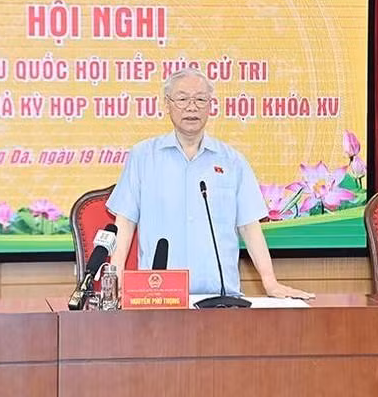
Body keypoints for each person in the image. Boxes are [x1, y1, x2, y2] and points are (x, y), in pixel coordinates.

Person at [106, 67, 311, 299]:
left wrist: (270, 282)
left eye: (200, 99)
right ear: (167, 104)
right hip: (160, 296)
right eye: (182, 99)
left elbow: (249, 227)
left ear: (211, 105)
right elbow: (125, 222)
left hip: (219, 296)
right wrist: (116, 279)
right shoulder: (143, 157)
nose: (192, 107)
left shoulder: (232, 161)